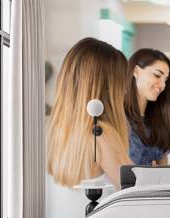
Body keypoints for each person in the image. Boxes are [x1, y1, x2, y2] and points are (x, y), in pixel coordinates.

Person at [47, 38, 133, 189]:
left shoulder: (60, 132)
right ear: (108, 88)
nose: (125, 90)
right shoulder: (101, 134)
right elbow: (135, 190)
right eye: (122, 83)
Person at [125, 49, 170, 166]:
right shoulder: (119, 117)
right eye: (157, 75)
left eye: (165, 80)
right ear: (136, 71)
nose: (163, 85)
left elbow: (163, 168)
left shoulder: (159, 120)